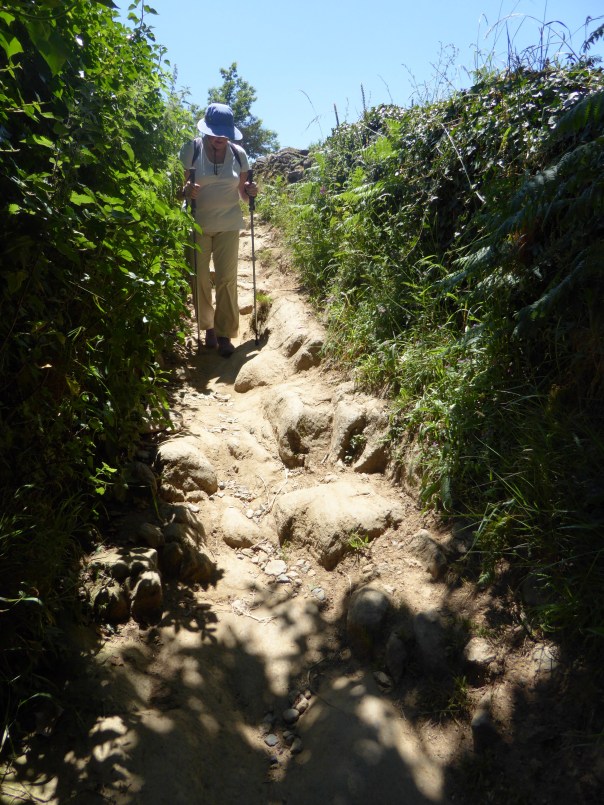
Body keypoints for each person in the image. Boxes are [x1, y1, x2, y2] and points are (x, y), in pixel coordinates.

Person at [179, 103, 257, 357]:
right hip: (198, 224)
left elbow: (243, 195)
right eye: (215, 134)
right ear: (207, 132)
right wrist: (186, 192)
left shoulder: (239, 154)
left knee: (226, 279)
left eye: (223, 135)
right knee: (200, 278)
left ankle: (224, 334)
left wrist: (251, 192)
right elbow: (182, 191)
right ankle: (208, 327)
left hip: (228, 225)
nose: (219, 139)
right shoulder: (192, 149)